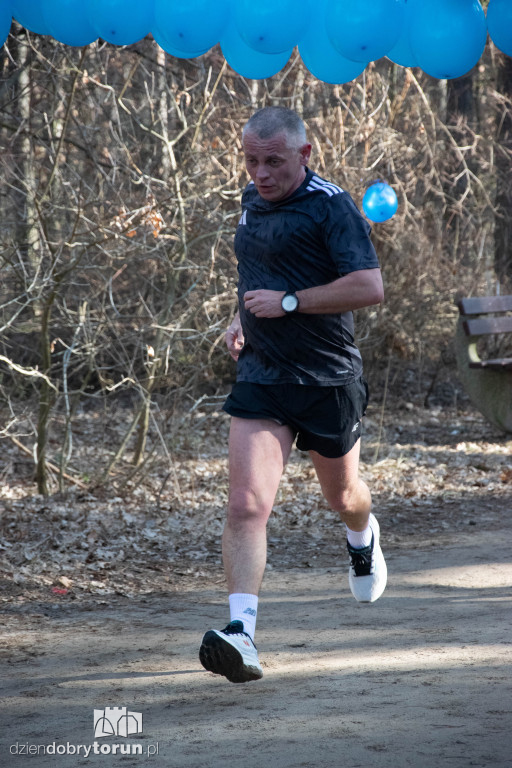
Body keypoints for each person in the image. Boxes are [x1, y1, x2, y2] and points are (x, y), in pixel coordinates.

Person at [199, 106, 386, 684]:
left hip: (327, 379)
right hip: (262, 377)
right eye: (251, 160)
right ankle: (242, 635)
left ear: (304, 155)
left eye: (272, 161)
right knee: (246, 506)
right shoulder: (250, 205)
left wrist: (288, 302)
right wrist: (241, 321)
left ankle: (362, 537)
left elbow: (369, 286)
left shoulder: (333, 205)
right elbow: (255, 279)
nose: (259, 172)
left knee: (345, 496)